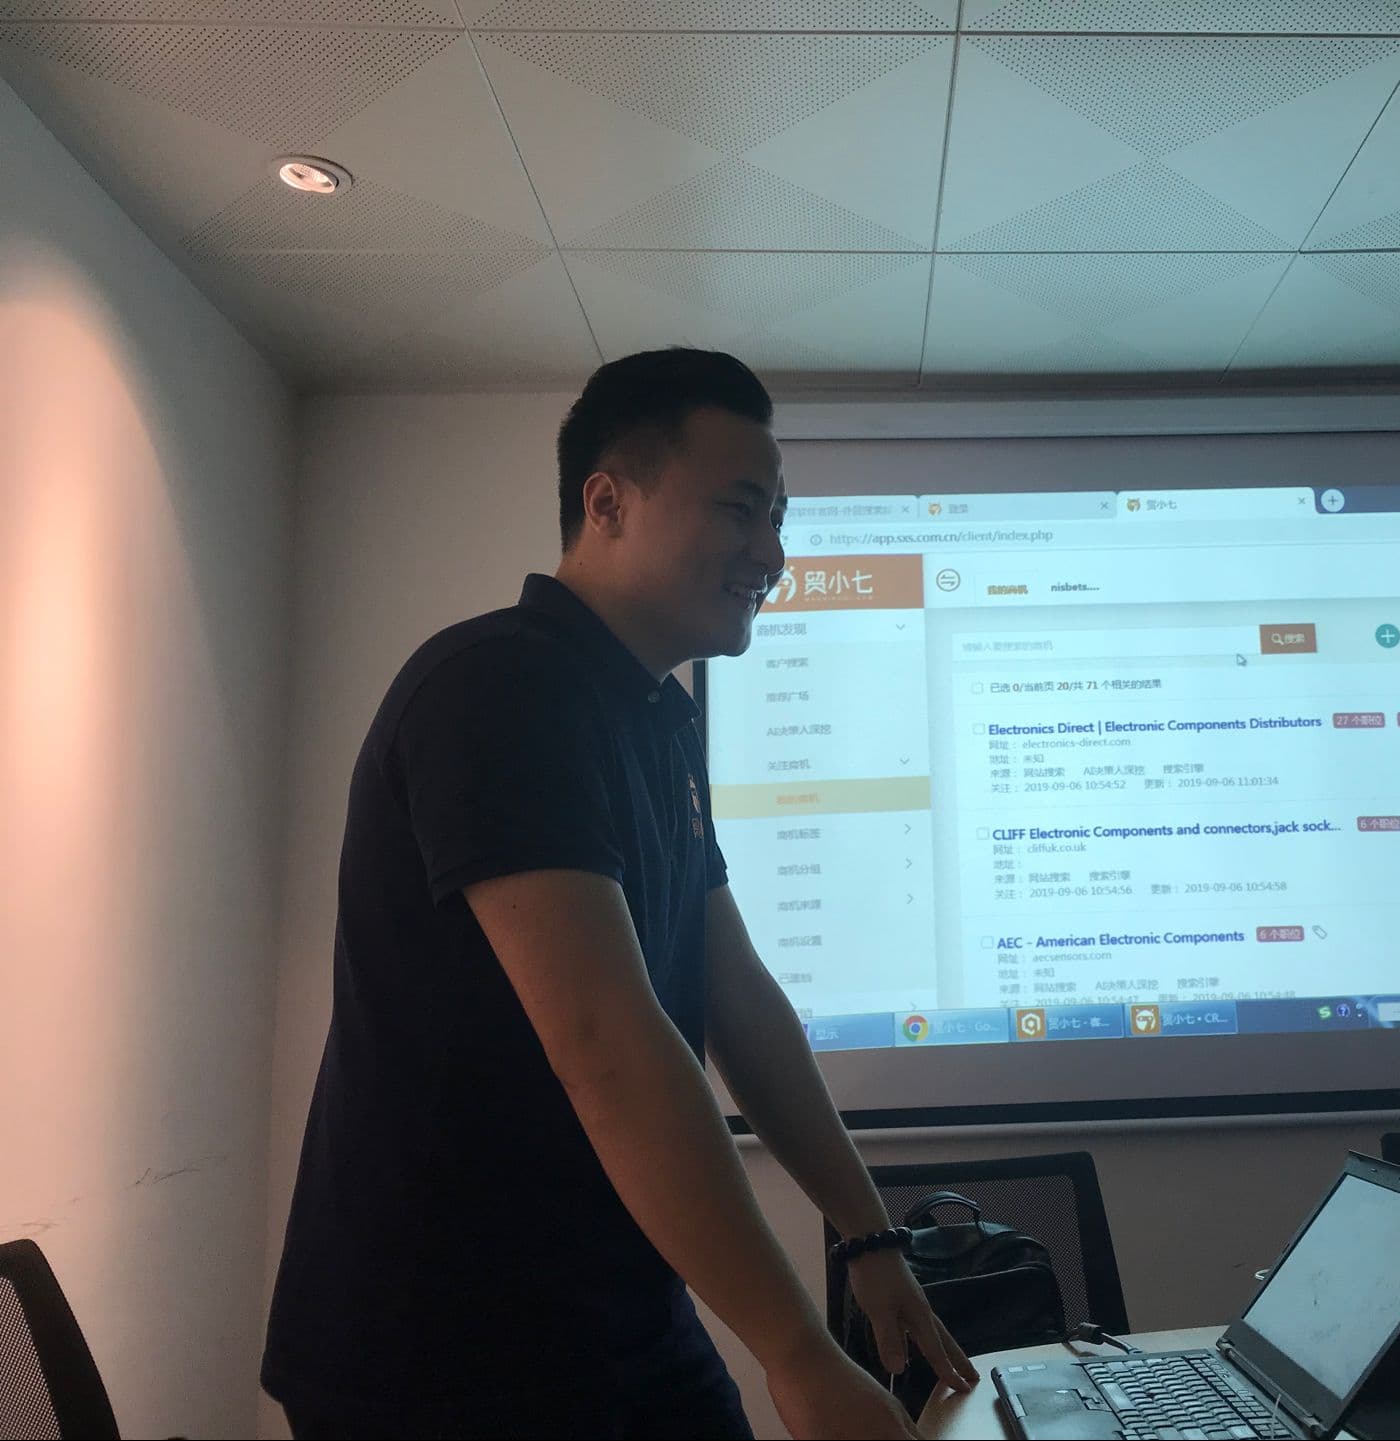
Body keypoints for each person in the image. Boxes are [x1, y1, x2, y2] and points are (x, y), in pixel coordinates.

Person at [262, 349, 976, 1440]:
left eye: (779, 517)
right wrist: (797, 1352)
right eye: (739, 508)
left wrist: (867, 1237)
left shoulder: (658, 719)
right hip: (437, 1353)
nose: (773, 552)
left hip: (616, 1313)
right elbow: (605, 1044)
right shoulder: (498, 687)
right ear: (607, 503)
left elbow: (737, 997)